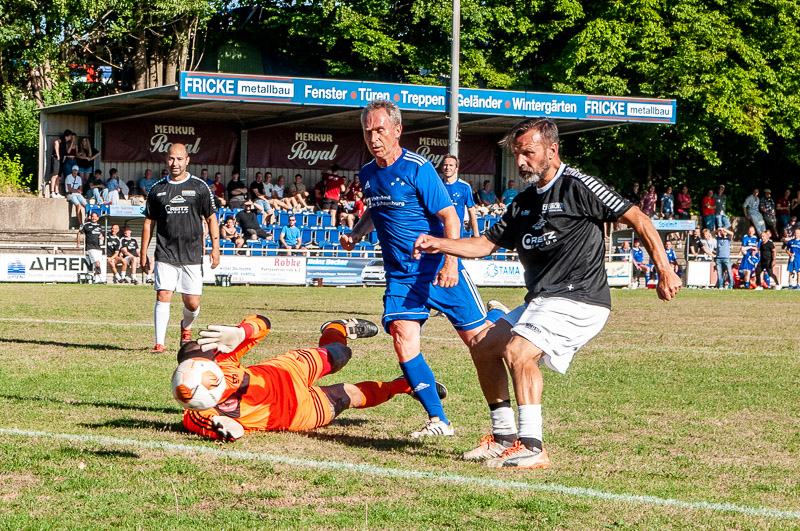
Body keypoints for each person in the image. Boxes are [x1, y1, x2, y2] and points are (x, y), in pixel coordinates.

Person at [413, 117, 681, 469]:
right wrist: (440, 243)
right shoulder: (524, 202)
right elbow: (484, 244)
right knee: (483, 345)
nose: (520, 161)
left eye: (528, 153)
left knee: (519, 351)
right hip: (542, 300)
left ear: (552, 150)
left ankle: (532, 446)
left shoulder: (579, 186)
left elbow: (639, 219)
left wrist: (664, 269)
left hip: (580, 297)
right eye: (517, 154)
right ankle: (504, 436)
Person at [341, 99, 492, 438]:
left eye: (380, 130)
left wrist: (451, 262)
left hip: (437, 268)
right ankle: (439, 420)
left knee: (480, 342)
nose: (374, 138)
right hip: (401, 276)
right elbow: (375, 211)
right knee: (402, 338)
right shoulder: (367, 173)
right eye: (368, 131)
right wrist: (356, 233)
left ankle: (500, 321)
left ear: (397, 130)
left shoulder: (418, 167)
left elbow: (450, 216)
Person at [176, 315, 447, 441]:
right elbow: (206, 423)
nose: (211, 354)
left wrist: (242, 331)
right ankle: (405, 384)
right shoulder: (196, 407)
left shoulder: (222, 357)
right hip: (295, 413)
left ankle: (336, 328)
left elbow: (263, 321)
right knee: (350, 395)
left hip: (285, 371)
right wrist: (221, 428)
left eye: (208, 355)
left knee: (340, 353)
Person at [141, 143, 220, 354]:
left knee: (192, 303)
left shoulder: (200, 187)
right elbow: (149, 223)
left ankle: (186, 325)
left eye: (179, 159)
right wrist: (143, 253)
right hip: (165, 251)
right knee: (163, 295)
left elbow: (211, 218)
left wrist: (216, 247)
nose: (175, 163)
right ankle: (159, 343)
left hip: (192, 252)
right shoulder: (157, 189)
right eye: (171, 159)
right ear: (166, 160)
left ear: (187, 160)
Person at [441, 154, 480, 237]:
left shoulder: (465, 187)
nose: (447, 167)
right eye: (445, 165)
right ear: (442, 167)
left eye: (451, 165)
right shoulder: (437, 186)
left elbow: (471, 210)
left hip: (455, 233)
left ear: (456, 169)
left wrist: (476, 234)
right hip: (438, 233)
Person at [77, 211, 104, 284]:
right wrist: (78, 243)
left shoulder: (99, 227)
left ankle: (96, 280)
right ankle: (101, 279)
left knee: (97, 264)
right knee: (97, 263)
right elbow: (79, 233)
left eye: (95, 216)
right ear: (90, 217)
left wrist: (102, 238)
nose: (94, 218)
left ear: (98, 218)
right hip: (90, 248)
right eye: (92, 216)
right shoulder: (86, 225)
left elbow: (102, 236)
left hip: (98, 248)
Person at [47, 129, 73, 198]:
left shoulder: (65, 142)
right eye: (71, 136)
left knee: (59, 177)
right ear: (68, 136)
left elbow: (67, 151)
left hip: (61, 160)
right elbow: (56, 142)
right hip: (56, 159)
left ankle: (57, 192)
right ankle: (52, 192)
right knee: (55, 175)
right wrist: (57, 154)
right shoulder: (62, 139)